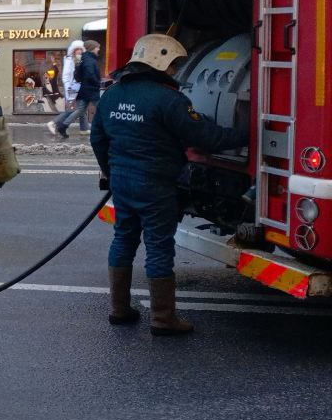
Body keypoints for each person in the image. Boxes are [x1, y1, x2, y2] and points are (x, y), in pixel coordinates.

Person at [90, 34, 247, 336]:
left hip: (122, 181)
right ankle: (163, 319)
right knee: (159, 246)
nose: (175, 71)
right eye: (174, 65)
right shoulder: (169, 99)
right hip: (156, 183)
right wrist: (246, 133)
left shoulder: (111, 95)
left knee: (123, 239)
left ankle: (119, 310)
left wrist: (112, 171)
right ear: (160, 62)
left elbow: (97, 139)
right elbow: (207, 137)